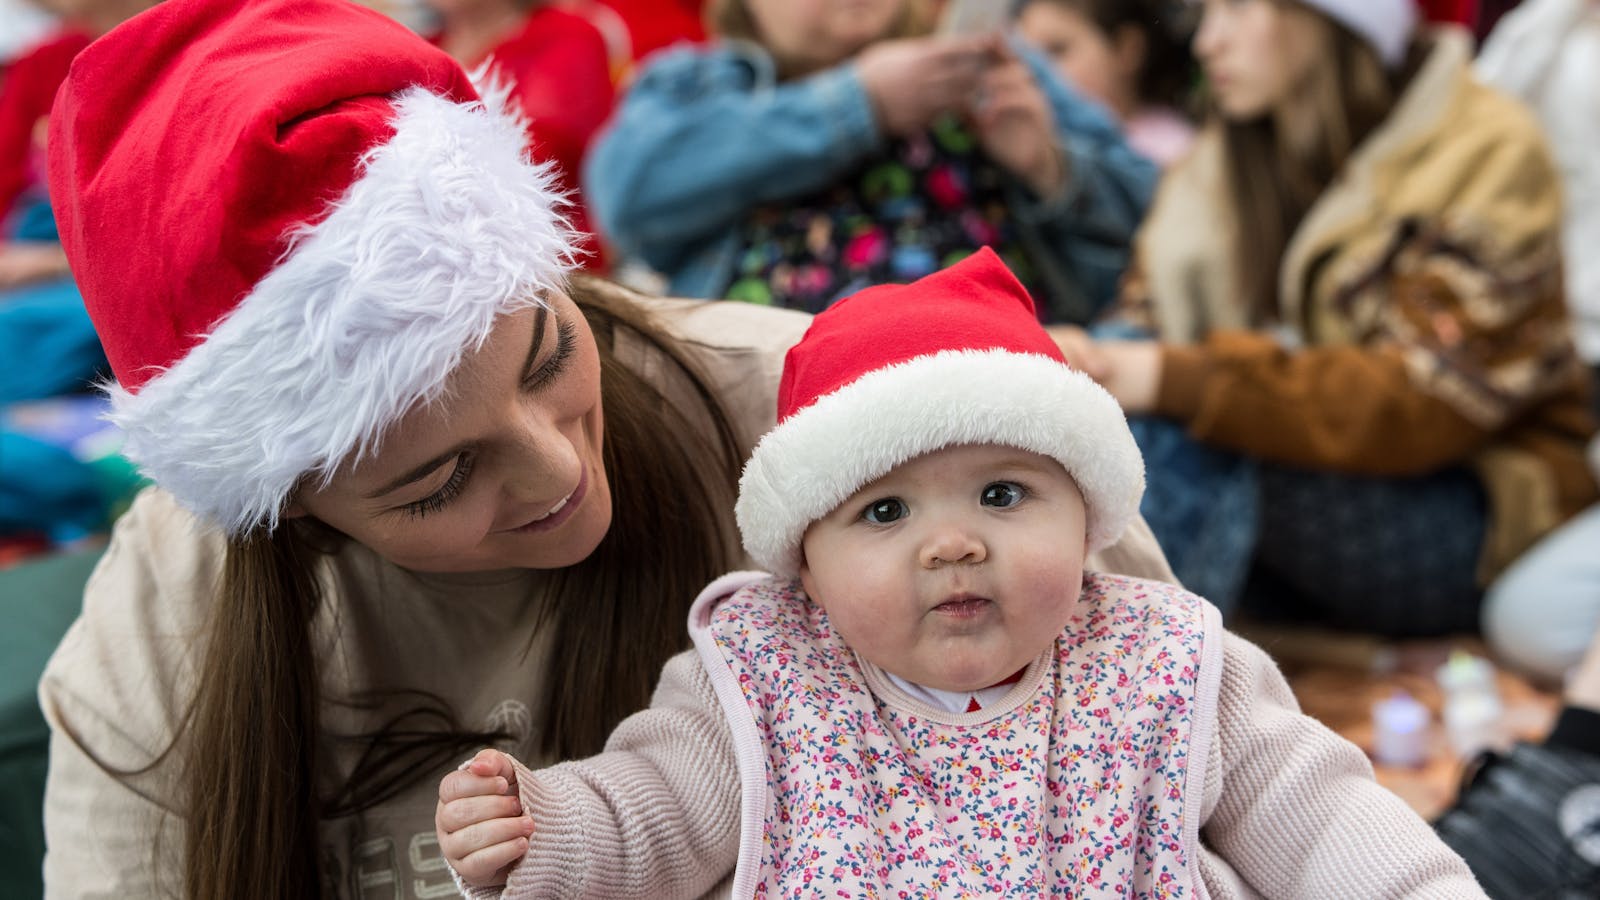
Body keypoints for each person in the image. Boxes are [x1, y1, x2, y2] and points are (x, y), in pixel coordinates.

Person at [33, 0, 1177, 897]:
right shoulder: (170, 623)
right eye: (439, 480)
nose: (558, 472)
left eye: (545, 359)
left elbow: (1169, 688)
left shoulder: (824, 418)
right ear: (290, 507)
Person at [434, 248, 1484, 898]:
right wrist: (551, 829)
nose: (953, 545)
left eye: (1003, 494)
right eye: (885, 512)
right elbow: (661, 807)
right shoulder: (765, 677)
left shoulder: (1157, 660)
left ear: (1087, 515)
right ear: (807, 565)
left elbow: (1316, 812)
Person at [1056, 0, 1594, 630]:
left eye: (1236, 9)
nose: (1206, 42)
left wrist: (1172, 377)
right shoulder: (1222, 161)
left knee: (1196, 426)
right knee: (1113, 407)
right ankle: (1103, 656)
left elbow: (1424, 404)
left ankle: (1142, 665)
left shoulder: (1488, 148)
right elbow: (1143, 322)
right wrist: (1093, 360)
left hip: (1472, 513)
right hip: (1300, 517)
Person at [582, 0, 1157, 322]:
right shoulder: (695, 80)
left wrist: (1049, 167)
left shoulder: (990, 58)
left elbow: (1152, 220)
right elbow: (625, 200)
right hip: (775, 416)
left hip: (1000, 392)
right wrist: (861, 104)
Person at [426, 0, 617, 268]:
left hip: (547, 264)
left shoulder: (566, 36)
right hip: (436, 257)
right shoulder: (420, 45)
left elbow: (542, 158)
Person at [1014, 0, 1199, 167]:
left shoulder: (1173, 155)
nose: (1036, 71)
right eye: (1026, 56)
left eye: (1057, 50)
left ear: (1126, 48)